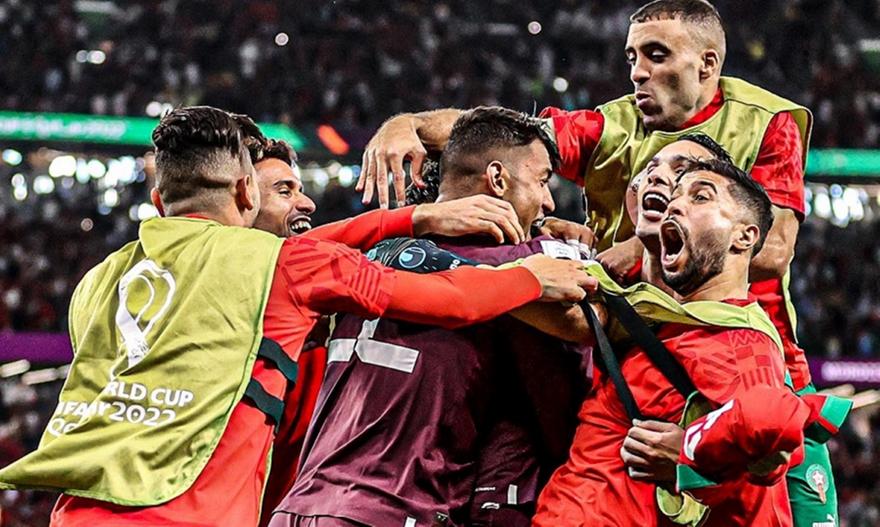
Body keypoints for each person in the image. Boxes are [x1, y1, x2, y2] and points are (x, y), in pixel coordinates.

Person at [0, 106, 595, 527]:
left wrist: (411, 219)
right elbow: (452, 300)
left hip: (76, 513)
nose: (303, 203)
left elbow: (288, 251)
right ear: (245, 193)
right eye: (281, 191)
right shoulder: (281, 269)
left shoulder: (97, 282)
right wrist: (532, 277)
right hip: (197, 514)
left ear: (159, 200)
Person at [355, 1, 833, 522]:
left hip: (744, 354)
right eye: (632, 58)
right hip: (629, 356)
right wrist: (409, 125)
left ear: (707, 64)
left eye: (656, 55)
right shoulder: (612, 126)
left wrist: (633, 248)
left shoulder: (767, 122)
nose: (638, 72)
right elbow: (510, 142)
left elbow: (775, 249)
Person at [273, 107, 591, 527]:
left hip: (299, 506)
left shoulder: (360, 257)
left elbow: (276, 257)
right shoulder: (519, 263)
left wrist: (409, 136)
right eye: (542, 181)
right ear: (497, 180)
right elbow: (585, 340)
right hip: (394, 511)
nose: (548, 202)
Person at [533, 156, 792, 526]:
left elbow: (772, 451)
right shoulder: (663, 319)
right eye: (676, 195)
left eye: (700, 197)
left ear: (744, 236)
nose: (675, 203)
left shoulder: (742, 341)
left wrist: (690, 455)